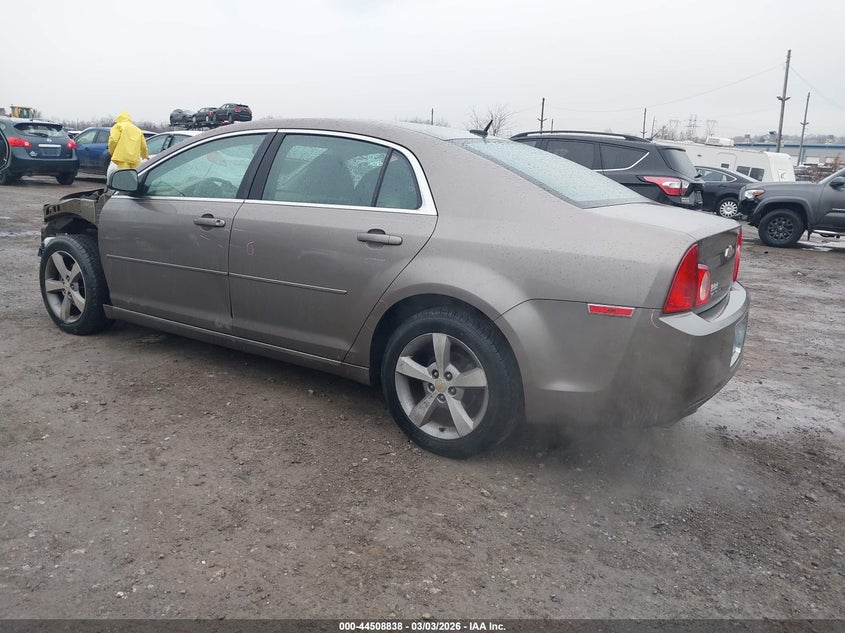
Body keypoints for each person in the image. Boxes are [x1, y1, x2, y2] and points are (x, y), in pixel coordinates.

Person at [107, 111, 149, 179]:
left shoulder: (118, 126)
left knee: (124, 179)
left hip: (122, 158)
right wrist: (145, 156)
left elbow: (113, 140)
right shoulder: (137, 130)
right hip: (135, 159)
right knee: (134, 179)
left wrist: (111, 151)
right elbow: (143, 145)